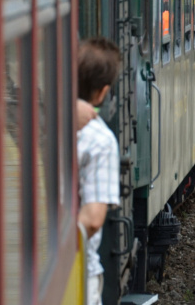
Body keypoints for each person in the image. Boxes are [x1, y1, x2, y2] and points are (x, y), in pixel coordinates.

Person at [77, 37, 121, 305]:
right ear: (103, 92)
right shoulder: (100, 140)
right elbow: (93, 219)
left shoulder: (39, 121)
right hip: (78, 269)